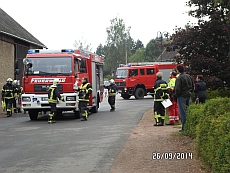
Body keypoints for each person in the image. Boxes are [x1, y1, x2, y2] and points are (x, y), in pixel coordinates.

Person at [174, 65, 194, 132]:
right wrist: (191, 91)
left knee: (182, 111)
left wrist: (176, 95)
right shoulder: (188, 76)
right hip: (188, 94)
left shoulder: (179, 78)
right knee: (188, 110)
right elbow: (192, 85)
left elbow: (177, 88)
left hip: (181, 96)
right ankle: (189, 126)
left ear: (178, 70)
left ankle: (184, 127)